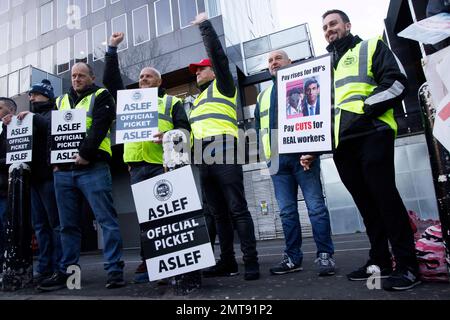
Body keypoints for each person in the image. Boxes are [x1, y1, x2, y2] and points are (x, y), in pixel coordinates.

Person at [322, 9, 420, 291]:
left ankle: (408, 266)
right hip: (342, 144)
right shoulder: (325, 66)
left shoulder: (371, 45)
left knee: (385, 198)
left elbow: (398, 82)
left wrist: (366, 108)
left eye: (334, 24)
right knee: (366, 205)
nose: (329, 30)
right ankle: (379, 261)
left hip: (372, 133)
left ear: (347, 25)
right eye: (325, 27)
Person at [103, 32, 191, 283]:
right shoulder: (131, 101)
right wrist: (111, 50)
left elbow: (186, 131)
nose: (142, 79)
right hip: (137, 167)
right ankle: (149, 261)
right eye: (140, 77)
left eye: (148, 76)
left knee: (169, 216)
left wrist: (168, 135)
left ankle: (174, 262)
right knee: (146, 218)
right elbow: (111, 81)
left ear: (159, 81)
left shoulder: (172, 102)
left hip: (162, 166)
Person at [38, 62, 125, 291]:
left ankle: (114, 271)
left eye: (81, 75)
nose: (76, 79)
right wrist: (54, 163)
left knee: (106, 220)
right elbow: (52, 133)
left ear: (92, 77)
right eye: (73, 76)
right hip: (63, 173)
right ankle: (70, 276)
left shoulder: (101, 95)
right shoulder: (60, 101)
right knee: (67, 226)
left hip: (93, 167)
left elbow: (100, 125)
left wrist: (85, 154)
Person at [188, 12, 259, 281]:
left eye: (201, 68)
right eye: (195, 71)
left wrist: (205, 27)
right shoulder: (196, 101)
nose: (197, 72)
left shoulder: (224, 85)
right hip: (202, 156)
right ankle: (227, 262)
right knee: (218, 214)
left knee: (237, 208)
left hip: (226, 148)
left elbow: (218, 56)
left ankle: (250, 262)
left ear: (214, 71)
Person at [255, 50, 336, 277]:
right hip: (276, 161)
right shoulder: (263, 95)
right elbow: (258, 127)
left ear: (290, 62)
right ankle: (292, 258)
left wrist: (314, 150)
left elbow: (318, 117)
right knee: (287, 212)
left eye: (278, 58)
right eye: (270, 60)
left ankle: (325, 256)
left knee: (316, 208)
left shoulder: (303, 84)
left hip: (303, 156)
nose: (273, 63)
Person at [2, 80, 62, 284]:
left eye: (36, 94)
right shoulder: (27, 118)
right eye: (30, 94)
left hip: (49, 177)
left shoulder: (53, 113)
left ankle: (59, 267)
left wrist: (34, 118)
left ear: (47, 95)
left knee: (55, 224)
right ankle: (45, 267)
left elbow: (53, 132)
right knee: (40, 225)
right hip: (34, 179)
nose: (31, 97)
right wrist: (9, 124)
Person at [0, 98, 18, 274]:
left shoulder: (15, 128)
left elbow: (15, 156)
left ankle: (6, 269)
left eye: (0, 108)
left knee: (4, 232)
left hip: (5, 190)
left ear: (10, 110)